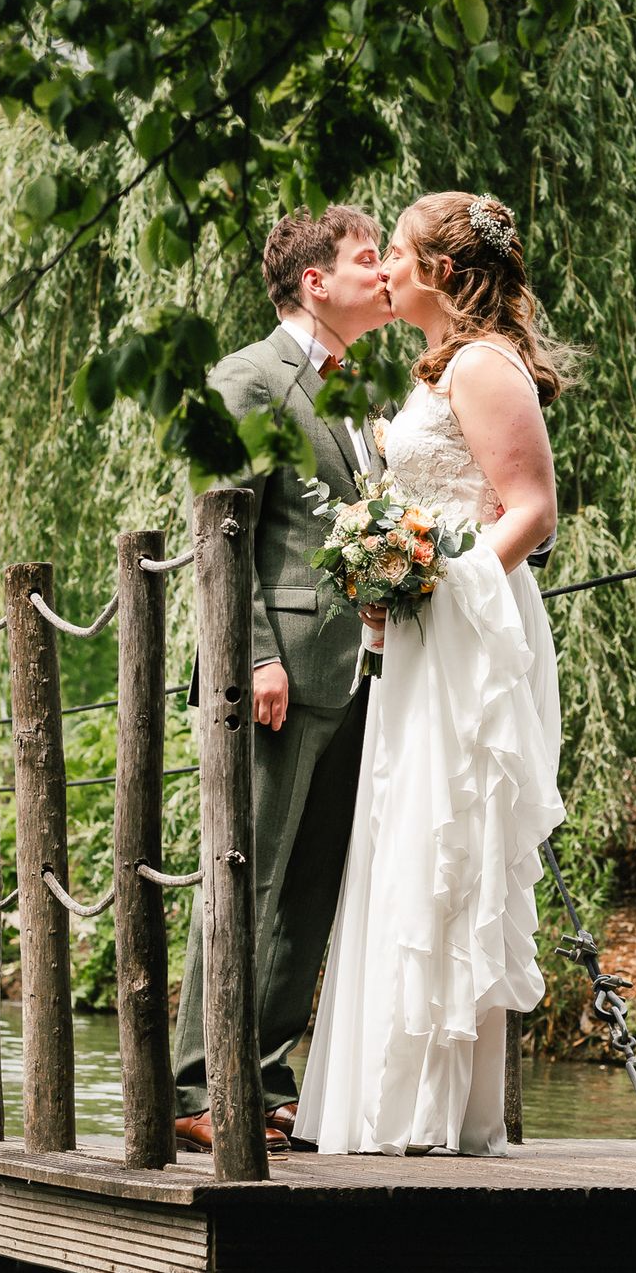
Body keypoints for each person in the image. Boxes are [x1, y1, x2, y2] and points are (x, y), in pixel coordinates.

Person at [292, 192, 566, 1156]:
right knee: (401, 842)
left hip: (464, 637)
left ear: (440, 273)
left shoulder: (488, 368)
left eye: (397, 254)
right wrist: (386, 576)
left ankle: (430, 1116)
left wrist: (438, 584)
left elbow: (531, 511)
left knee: (444, 845)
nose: (386, 270)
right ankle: (384, 1105)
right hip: (419, 636)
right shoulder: (445, 367)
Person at [174, 204, 391, 1153]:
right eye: (366, 259)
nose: (383, 274)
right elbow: (221, 528)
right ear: (315, 281)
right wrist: (254, 653)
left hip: (351, 674)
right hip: (272, 675)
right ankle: (194, 1079)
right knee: (242, 875)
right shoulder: (249, 378)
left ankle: (262, 1074)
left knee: (308, 885)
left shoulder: (351, 388)